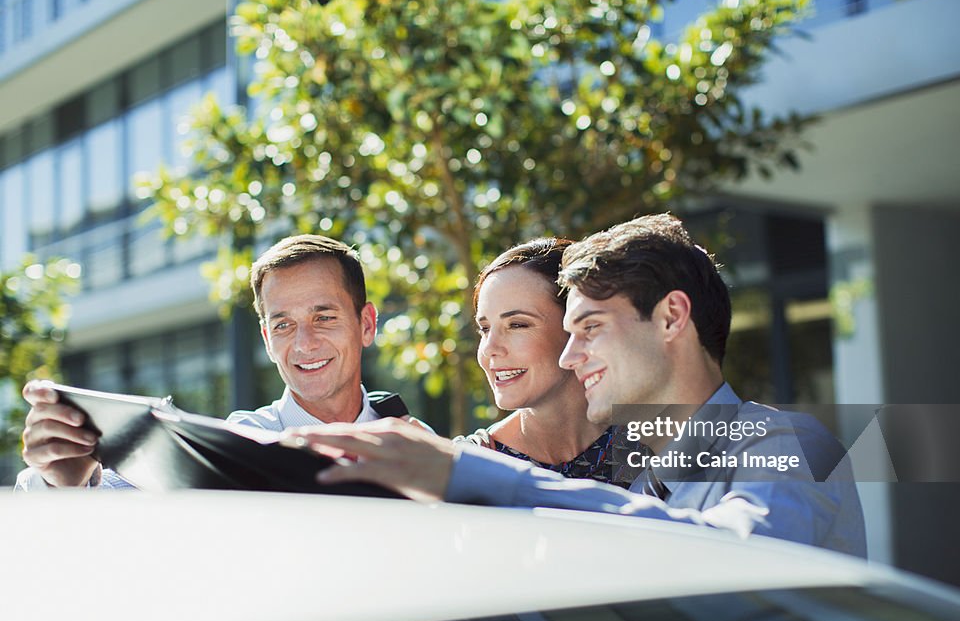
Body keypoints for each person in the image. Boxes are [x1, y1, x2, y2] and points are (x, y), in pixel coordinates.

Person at [281, 214, 867, 556]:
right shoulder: (646, 471)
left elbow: (728, 552)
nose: (569, 353)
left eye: (589, 329)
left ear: (670, 318)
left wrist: (475, 477)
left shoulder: (790, 444)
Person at [16, 234, 418, 490]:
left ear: (366, 325)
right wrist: (61, 482)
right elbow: (127, 490)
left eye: (323, 317)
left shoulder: (418, 443)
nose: (304, 343)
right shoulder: (236, 445)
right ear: (266, 339)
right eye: (282, 325)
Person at [465, 238, 619, 484]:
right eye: (484, 329)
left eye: (517, 325)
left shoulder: (659, 439)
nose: (490, 349)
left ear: (578, 325)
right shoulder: (470, 465)